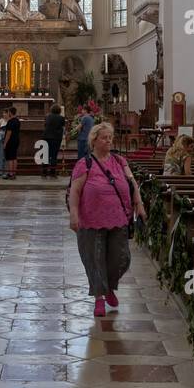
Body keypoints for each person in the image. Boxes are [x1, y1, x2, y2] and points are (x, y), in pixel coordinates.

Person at [69, 121, 147, 317]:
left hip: (119, 216)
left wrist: (139, 202)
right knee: (94, 259)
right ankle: (99, 298)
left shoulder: (120, 161)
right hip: (91, 218)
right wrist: (73, 214)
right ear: (94, 141)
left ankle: (109, 287)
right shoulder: (84, 164)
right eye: (105, 138)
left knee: (122, 258)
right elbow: (75, 191)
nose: (109, 141)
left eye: (110, 137)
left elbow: (132, 182)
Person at [43, 104, 65, 178]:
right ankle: (52, 173)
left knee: (46, 155)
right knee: (54, 156)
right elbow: (62, 126)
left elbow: (45, 125)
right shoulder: (61, 118)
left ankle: (44, 172)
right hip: (56, 138)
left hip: (46, 137)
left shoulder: (47, 116)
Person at [3, 104, 21, 179]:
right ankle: (14, 173)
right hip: (16, 140)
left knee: (10, 158)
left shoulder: (10, 122)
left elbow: (8, 133)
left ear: (10, 112)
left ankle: (10, 173)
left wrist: (5, 143)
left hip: (10, 141)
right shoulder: (17, 121)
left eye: (9, 112)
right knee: (14, 157)